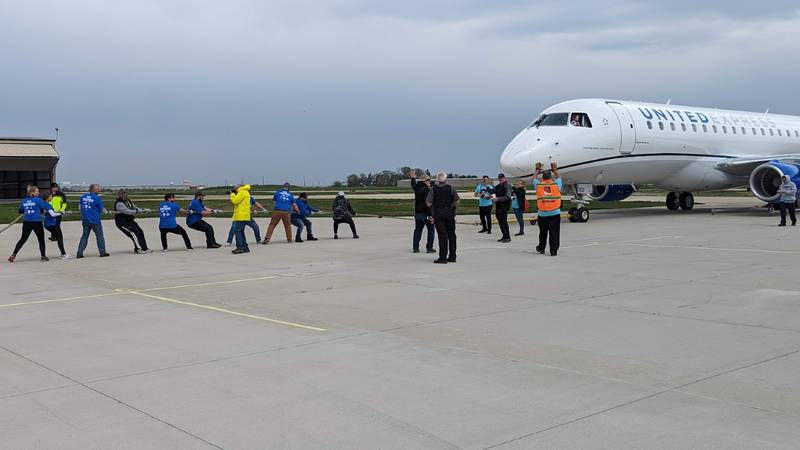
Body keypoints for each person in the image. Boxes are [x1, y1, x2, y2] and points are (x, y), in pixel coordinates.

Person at [8, 186, 50, 263]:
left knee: (23, 239)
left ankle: (13, 255)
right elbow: (41, 211)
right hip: (37, 222)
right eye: (37, 191)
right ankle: (43, 256)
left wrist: (27, 209)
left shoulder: (24, 201)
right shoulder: (39, 200)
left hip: (27, 222)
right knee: (41, 240)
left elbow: (20, 211)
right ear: (32, 192)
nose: (38, 192)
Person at [427, 171, 460, 264]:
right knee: (452, 235)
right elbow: (457, 201)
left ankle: (443, 257)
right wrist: (452, 206)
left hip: (439, 213)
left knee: (442, 235)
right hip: (449, 213)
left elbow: (428, 203)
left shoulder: (433, 189)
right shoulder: (451, 188)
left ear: (437, 179)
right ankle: (452, 256)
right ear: (446, 179)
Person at [534, 162, 562, 256]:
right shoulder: (556, 184)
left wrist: (537, 170)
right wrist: (555, 169)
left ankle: (541, 248)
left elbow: (534, 178)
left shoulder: (539, 186)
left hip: (542, 214)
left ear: (543, 177)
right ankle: (553, 251)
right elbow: (558, 177)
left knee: (543, 233)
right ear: (550, 177)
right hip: (555, 213)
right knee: (554, 233)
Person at [77, 184, 110, 259]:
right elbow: (103, 210)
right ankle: (102, 252)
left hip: (85, 220)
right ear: (93, 189)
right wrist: (108, 212)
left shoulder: (83, 197)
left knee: (84, 236)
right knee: (99, 236)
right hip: (95, 220)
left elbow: (79, 207)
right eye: (98, 189)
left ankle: (79, 252)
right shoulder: (97, 198)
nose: (99, 190)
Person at [114, 189, 152, 254]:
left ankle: (144, 248)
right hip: (122, 222)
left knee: (140, 231)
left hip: (130, 220)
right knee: (133, 233)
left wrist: (144, 210)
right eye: (122, 193)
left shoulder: (128, 201)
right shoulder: (119, 203)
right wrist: (137, 211)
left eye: (125, 193)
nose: (124, 195)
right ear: (119, 195)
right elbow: (127, 211)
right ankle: (138, 249)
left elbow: (135, 208)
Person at [410, 171, 436, 253]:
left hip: (418, 213)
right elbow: (428, 204)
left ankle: (415, 248)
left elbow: (413, 185)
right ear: (424, 181)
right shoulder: (427, 190)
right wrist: (431, 215)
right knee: (431, 231)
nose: (430, 181)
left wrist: (413, 178)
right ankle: (429, 248)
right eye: (428, 180)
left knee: (417, 230)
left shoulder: (417, 188)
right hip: (426, 214)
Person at [42, 191, 70, 259]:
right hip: (52, 224)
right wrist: (62, 213)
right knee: (60, 238)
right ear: (48, 197)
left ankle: (63, 253)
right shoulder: (47, 204)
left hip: (47, 224)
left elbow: (50, 212)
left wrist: (59, 212)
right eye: (51, 196)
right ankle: (63, 254)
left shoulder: (43, 203)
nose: (52, 197)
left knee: (58, 237)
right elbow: (53, 214)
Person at [230, 184, 252, 254]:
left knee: (237, 231)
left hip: (241, 215)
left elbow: (235, 201)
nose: (235, 188)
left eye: (235, 187)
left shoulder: (242, 192)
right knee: (241, 231)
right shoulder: (245, 192)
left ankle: (240, 247)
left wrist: (232, 194)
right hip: (244, 215)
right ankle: (245, 247)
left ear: (239, 187)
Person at [492, 173, 513, 243]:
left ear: (504, 178)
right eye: (499, 178)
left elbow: (508, 196)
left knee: (504, 222)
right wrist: (485, 192)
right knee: (500, 222)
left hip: (504, 207)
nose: (500, 179)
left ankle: (507, 237)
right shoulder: (498, 186)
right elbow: (492, 190)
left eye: (502, 178)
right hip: (498, 207)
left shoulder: (507, 185)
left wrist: (498, 199)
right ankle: (504, 236)